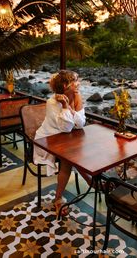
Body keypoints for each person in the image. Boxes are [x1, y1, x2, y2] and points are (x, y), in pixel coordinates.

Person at [34, 69, 90, 215]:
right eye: (75, 80)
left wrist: (71, 109)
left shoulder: (77, 96)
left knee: (79, 151)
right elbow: (66, 128)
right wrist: (66, 107)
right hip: (47, 140)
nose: (79, 83)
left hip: (66, 138)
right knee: (69, 159)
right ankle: (59, 198)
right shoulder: (52, 102)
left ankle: (92, 182)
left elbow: (81, 123)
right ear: (66, 85)